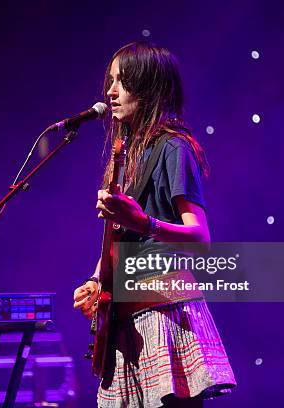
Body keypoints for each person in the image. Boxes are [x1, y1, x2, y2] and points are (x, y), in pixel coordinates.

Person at [73, 42, 236, 407]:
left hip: (164, 314)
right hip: (128, 316)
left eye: (122, 82)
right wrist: (95, 281)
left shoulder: (173, 147)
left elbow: (200, 238)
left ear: (148, 89)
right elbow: (120, 239)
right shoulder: (125, 153)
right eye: (110, 81)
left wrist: (144, 222)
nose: (110, 92)